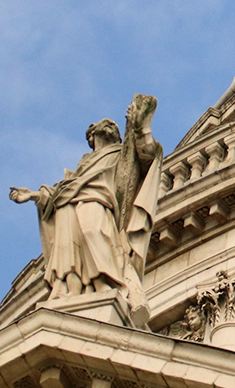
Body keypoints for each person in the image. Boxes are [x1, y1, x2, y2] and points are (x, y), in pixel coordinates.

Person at [10, 93, 161, 322]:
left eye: (114, 125)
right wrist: (34, 195)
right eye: (106, 124)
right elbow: (60, 190)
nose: (111, 126)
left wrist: (142, 127)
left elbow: (146, 154)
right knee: (67, 253)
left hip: (98, 201)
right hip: (68, 205)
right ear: (92, 134)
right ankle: (68, 289)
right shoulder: (84, 164)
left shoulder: (121, 154)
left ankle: (108, 284)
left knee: (95, 234)